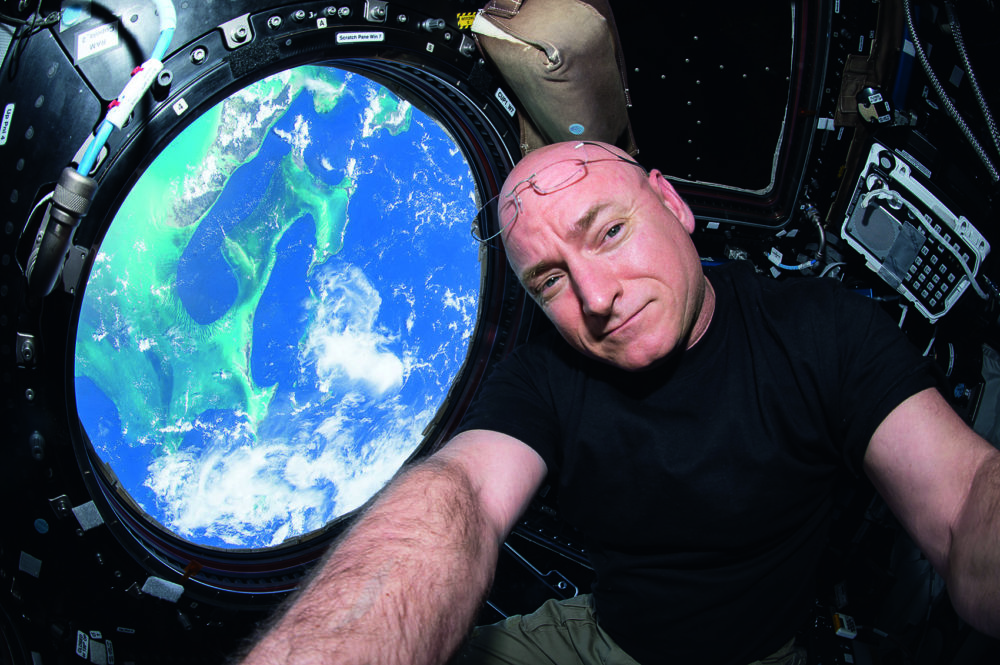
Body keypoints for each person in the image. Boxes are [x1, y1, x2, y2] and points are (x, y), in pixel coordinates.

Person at [238, 141, 1000, 665]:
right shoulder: (544, 378)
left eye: (607, 230)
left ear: (671, 202)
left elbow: (965, 498)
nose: (597, 297)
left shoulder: (821, 331)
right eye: (551, 280)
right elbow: (459, 493)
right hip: (601, 640)